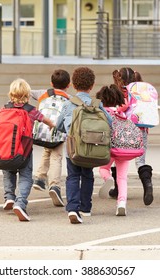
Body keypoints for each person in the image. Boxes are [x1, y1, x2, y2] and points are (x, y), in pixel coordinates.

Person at [56, 67, 112, 224]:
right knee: (87, 176)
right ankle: (86, 208)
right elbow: (110, 123)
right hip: (92, 148)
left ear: (73, 85)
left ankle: (73, 208)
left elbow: (59, 125)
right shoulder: (96, 105)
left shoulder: (69, 104)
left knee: (73, 176)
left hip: (73, 149)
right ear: (92, 85)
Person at [2, 78, 55, 221]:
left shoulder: (5, 108)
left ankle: (9, 197)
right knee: (25, 177)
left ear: (11, 94)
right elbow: (46, 120)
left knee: (8, 172)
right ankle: (20, 202)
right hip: (24, 151)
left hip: (7, 149)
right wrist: (52, 125)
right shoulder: (31, 111)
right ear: (27, 95)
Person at [101, 67, 154, 207]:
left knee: (117, 156)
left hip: (122, 128)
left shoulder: (120, 92)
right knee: (140, 161)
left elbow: (121, 107)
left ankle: (118, 189)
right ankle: (147, 185)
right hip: (141, 128)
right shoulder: (140, 92)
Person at [30, 69, 71, 207]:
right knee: (56, 157)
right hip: (57, 132)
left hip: (41, 130)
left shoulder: (43, 93)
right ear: (69, 85)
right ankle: (55, 186)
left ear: (51, 83)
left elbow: (28, 91)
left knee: (48, 150)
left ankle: (40, 178)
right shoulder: (69, 98)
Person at [96, 84, 130, 216]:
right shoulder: (121, 113)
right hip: (123, 148)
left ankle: (108, 178)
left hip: (107, 148)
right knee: (122, 178)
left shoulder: (102, 112)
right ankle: (121, 203)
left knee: (104, 169)